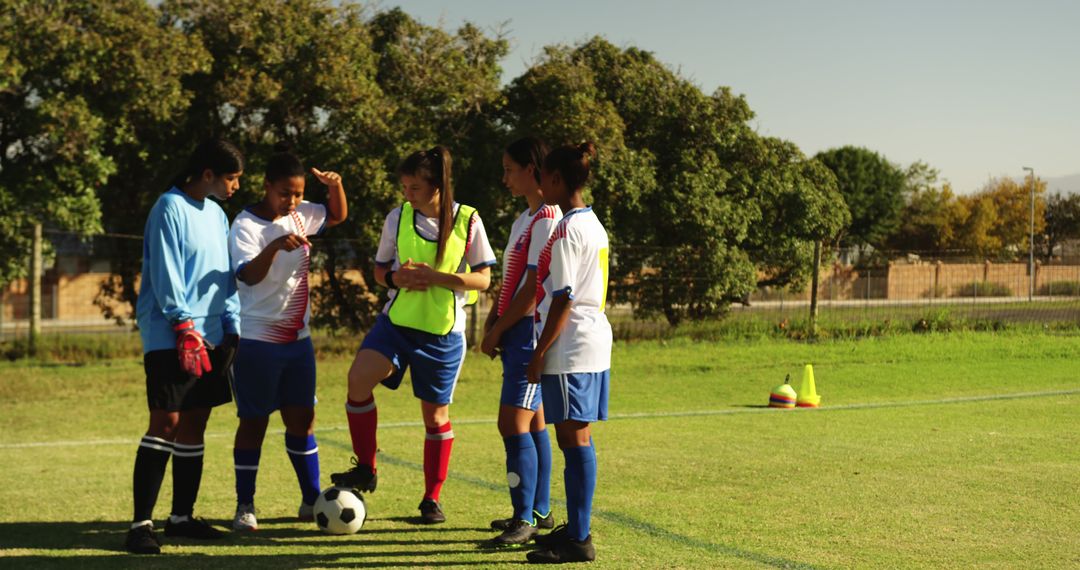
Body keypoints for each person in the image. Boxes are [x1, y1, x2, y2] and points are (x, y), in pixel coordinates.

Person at [330, 146, 496, 525]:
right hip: (396, 325)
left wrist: (436, 278)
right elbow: (378, 271)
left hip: (441, 334)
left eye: (415, 187)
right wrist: (396, 278)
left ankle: (431, 500)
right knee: (358, 379)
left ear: (437, 186)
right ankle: (366, 469)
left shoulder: (468, 220)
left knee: (435, 418)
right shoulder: (398, 216)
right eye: (404, 186)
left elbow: (484, 279)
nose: (407, 194)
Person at [126, 139, 244, 554]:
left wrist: (233, 325)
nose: (236, 186)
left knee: (196, 422)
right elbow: (165, 272)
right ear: (208, 174)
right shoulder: (169, 207)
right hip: (171, 333)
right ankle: (141, 525)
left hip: (212, 334)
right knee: (167, 422)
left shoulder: (217, 213)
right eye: (232, 177)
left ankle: (181, 518)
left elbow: (224, 275)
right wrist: (183, 324)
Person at [227, 145, 347, 531]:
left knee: (302, 420)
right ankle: (245, 506)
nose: (292, 200)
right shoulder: (245, 225)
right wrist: (275, 246)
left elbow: (338, 215)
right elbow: (247, 276)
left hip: (299, 342)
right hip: (257, 341)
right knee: (254, 422)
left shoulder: (301, 214)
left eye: (297, 193)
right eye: (284, 193)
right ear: (266, 187)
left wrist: (335, 186)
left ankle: (311, 499)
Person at [525, 142, 611, 564]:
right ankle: (576, 530)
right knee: (575, 437)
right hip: (590, 340)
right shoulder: (592, 222)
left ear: (556, 180)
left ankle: (579, 538)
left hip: (572, 346)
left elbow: (563, 298)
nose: (539, 184)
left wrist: (539, 352)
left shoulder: (566, 231)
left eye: (542, 176)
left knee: (573, 439)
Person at [480, 137, 561, 546]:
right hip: (515, 331)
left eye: (510, 168)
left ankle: (523, 517)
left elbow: (532, 288)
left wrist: (498, 329)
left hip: (529, 333)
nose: (504, 176)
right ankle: (539, 510)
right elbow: (509, 281)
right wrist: (494, 319)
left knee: (511, 423)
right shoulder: (524, 219)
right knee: (534, 421)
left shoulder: (548, 218)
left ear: (532, 169)